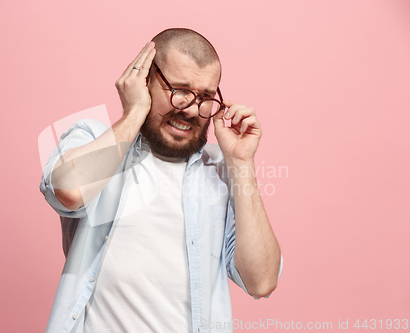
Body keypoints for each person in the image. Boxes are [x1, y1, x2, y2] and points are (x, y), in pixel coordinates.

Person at [40, 28, 283, 333]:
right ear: (145, 80)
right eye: (180, 90)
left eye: (206, 97)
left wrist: (241, 162)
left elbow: (261, 281)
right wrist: (134, 113)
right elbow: (69, 192)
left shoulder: (223, 170)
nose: (192, 109)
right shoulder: (93, 138)